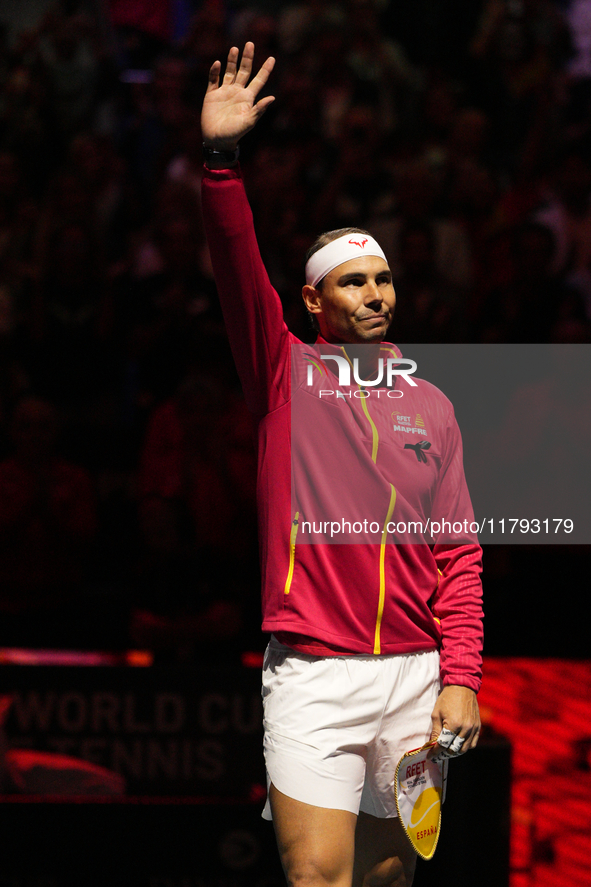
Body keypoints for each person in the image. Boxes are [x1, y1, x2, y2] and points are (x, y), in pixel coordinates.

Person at [200, 43, 483, 887]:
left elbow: (459, 553)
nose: (374, 294)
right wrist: (221, 162)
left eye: (383, 279)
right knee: (316, 877)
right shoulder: (284, 373)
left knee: (387, 879)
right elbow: (234, 266)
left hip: (415, 674)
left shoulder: (431, 404)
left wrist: (460, 677)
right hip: (312, 672)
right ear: (314, 302)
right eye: (352, 282)